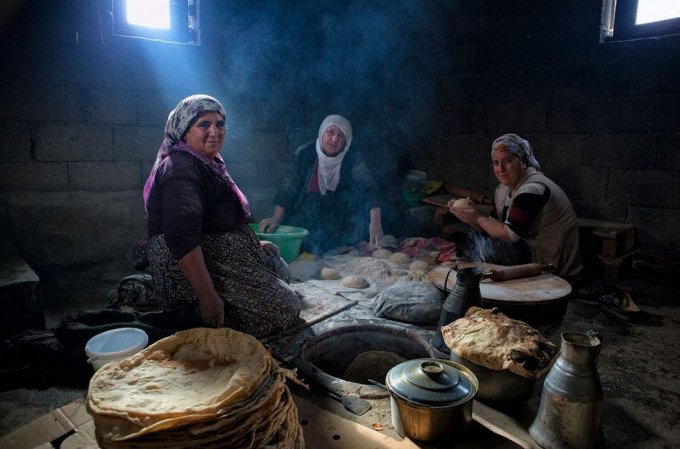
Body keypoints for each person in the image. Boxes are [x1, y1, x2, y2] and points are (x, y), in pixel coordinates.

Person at [143, 94, 301, 338]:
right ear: (185, 131)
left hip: (217, 254)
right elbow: (182, 238)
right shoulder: (180, 168)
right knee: (284, 308)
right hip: (183, 263)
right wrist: (207, 296)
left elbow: (216, 219)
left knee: (280, 269)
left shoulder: (208, 162)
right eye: (204, 125)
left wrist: (253, 245)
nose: (214, 132)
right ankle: (193, 308)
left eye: (219, 124)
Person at [450, 133, 582, 279]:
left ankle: (477, 279)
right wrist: (470, 216)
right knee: (476, 234)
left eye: (508, 161)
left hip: (547, 258)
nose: (501, 169)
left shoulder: (533, 188)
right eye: (495, 163)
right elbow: (493, 224)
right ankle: (477, 276)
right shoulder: (504, 189)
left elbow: (510, 235)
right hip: (528, 247)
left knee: (486, 249)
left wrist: (477, 217)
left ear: (523, 161)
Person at [259, 114, 385, 253]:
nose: (335, 139)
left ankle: (351, 244)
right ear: (322, 133)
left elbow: (369, 189)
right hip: (306, 220)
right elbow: (289, 186)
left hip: (340, 221)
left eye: (341, 135)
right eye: (330, 132)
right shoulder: (305, 154)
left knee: (353, 216)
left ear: (347, 141)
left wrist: (375, 223)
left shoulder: (352, 157)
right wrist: (276, 218)